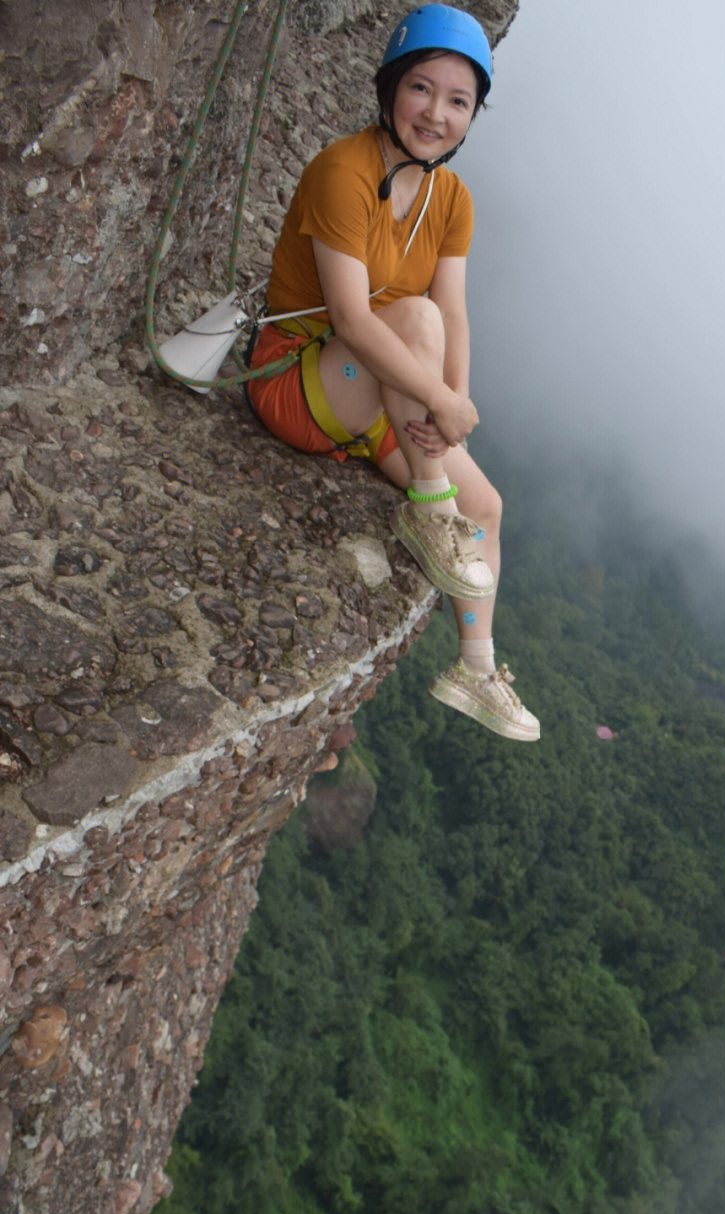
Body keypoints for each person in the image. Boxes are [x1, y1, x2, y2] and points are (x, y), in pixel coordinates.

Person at [246, 4, 539, 742]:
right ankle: (428, 514)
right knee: (413, 321)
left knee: (491, 508)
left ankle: (475, 667)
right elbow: (351, 319)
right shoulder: (342, 171)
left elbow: (456, 316)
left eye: (458, 101)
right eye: (421, 89)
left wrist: (451, 404)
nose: (435, 114)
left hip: (384, 392)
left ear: (473, 116)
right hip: (303, 380)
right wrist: (438, 395)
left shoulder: (453, 200)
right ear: (389, 89)